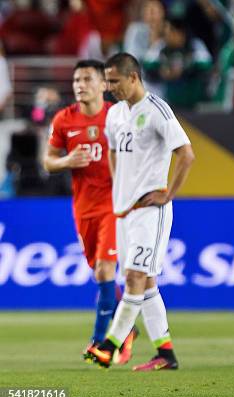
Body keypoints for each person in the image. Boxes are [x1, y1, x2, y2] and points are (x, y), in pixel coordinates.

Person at [88, 53, 195, 371]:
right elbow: (112, 152)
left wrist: (168, 193)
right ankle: (166, 353)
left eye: (114, 81)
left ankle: (110, 345)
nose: (109, 87)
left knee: (134, 277)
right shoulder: (115, 114)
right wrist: (119, 187)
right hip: (124, 211)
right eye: (107, 81)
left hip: (151, 210)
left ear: (133, 77)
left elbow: (186, 154)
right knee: (145, 282)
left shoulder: (157, 109)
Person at [43, 60, 137, 364]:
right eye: (76, 80)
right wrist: (67, 161)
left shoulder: (117, 115)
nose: (80, 85)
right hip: (83, 208)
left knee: (104, 270)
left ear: (102, 84)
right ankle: (128, 327)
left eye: (86, 79)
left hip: (114, 204)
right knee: (99, 273)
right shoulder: (63, 120)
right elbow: (48, 161)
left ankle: (101, 342)